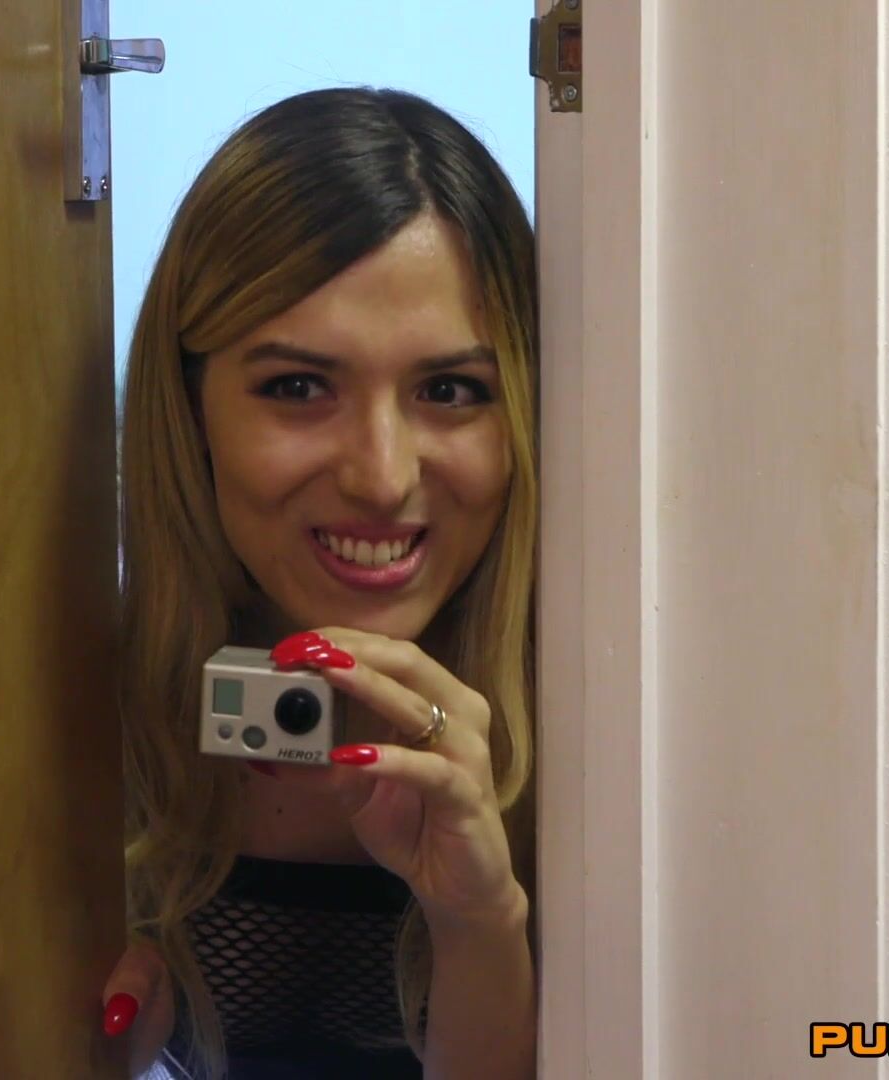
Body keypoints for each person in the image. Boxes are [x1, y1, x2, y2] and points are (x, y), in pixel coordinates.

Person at [104, 87, 538, 1079]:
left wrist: (482, 925)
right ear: (188, 411)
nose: (381, 477)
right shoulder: (68, 735)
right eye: (299, 388)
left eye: (450, 390)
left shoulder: (623, 749)